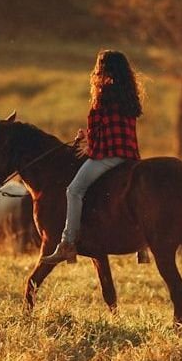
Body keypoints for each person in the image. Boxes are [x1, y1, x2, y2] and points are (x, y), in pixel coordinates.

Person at [41, 50, 143, 264]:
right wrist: (90, 137)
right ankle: (142, 246)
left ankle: (67, 243)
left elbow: (101, 138)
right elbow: (116, 131)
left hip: (108, 156)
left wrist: (88, 146)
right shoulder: (129, 97)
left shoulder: (103, 97)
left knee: (74, 190)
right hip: (130, 157)